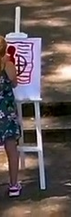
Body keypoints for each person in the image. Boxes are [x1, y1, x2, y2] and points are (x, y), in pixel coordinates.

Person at [0, 36, 21, 198]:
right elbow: (14, 83)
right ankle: (14, 185)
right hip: (7, 112)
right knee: (11, 149)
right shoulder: (8, 66)